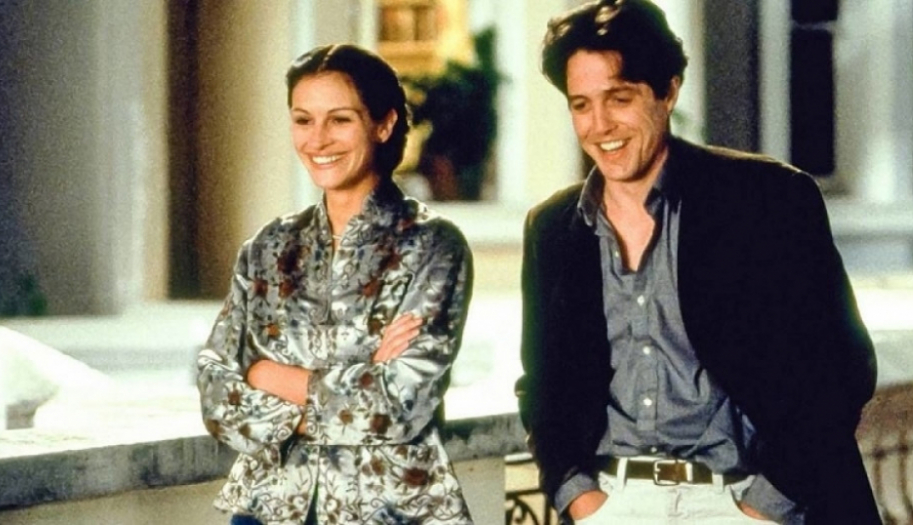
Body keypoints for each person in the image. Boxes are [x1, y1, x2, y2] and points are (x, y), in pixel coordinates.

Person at [516, 1, 880, 524]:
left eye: (619, 98)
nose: (599, 125)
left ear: (668, 91)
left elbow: (841, 368)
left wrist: (761, 509)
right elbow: (542, 386)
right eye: (581, 104)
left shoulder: (768, 199)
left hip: (749, 500)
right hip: (615, 505)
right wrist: (580, 499)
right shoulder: (552, 229)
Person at [197, 43, 474, 525]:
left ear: (383, 124)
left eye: (340, 120)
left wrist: (268, 376)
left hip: (390, 510)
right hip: (267, 509)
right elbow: (216, 391)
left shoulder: (432, 246)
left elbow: (399, 404)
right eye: (303, 120)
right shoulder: (267, 248)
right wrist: (364, 373)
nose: (318, 139)